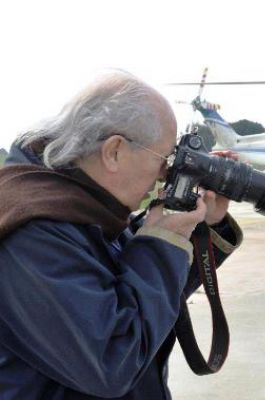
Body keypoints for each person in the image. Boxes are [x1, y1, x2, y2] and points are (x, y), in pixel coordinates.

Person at [0, 71, 242, 399]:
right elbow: (113, 358)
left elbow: (143, 301)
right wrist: (160, 244)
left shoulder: (82, 208)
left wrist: (200, 228)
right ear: (114, 151)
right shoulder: (32, 231)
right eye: (164, 159)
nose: (165, 175)